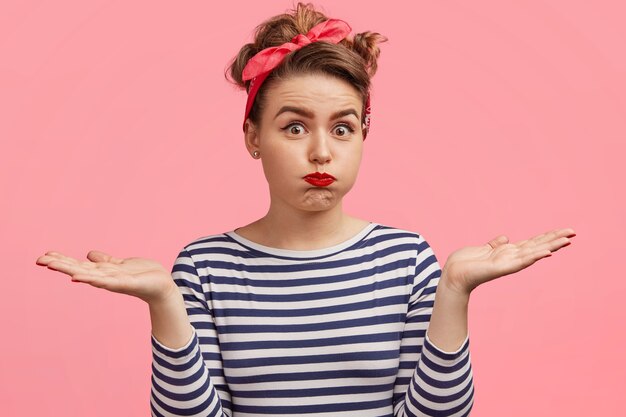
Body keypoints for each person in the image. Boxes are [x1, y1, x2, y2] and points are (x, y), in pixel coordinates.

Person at [35, 3, 576, 416]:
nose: (321, 151)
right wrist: (163, 302)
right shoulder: (202, 268)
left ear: (364, 135)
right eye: (294, 127)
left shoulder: (407, 259)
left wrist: (455, 291)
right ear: (252, 135)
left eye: (342, 128)